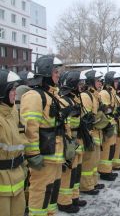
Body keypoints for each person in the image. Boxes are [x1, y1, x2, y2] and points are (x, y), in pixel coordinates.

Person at [21, 55, 65, 216]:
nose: (58, 75)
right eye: (55, 71)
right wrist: (33, 154)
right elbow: (30, 128)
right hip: (43, 156)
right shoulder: (34, 96)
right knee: (40, 191)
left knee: (52, 190)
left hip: (55, 154)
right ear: (46, 73)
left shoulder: (52, 95)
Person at [57, 71, 87, 213]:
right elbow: (66, 123)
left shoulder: (73, 99)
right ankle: (64, 202)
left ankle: (74, 197)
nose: (81, 86)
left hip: (76, 140)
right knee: (68, 173)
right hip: (69, 141)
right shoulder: (63, 100)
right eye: (78, 83)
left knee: (76, 171)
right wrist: (76, 118)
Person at [0, 70, 27, 216]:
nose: (15, 93)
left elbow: (20, 139)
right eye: (11, 89)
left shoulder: (13, 113)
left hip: (17, 178)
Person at [80, 70, 106, 195]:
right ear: (91, 81)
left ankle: (93, 182)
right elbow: (86, 117)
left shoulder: (96, 95)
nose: (100, 83)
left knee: (95, 160)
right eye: (97, 80)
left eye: (100, 80)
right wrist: (97, 116)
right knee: (88, 161)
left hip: (97, 132)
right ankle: (86, 186)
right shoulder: (86, 96)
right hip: (91, 132)